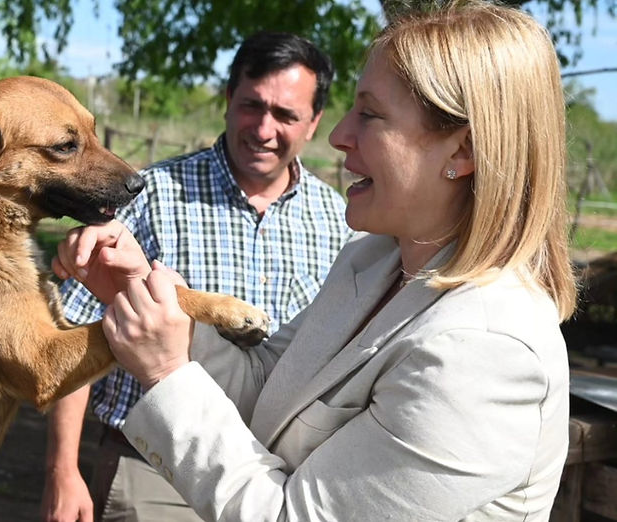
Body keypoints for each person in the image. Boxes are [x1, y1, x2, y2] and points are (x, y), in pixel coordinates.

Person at [52, 2, 577, 520]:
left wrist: (166, 371)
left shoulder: (484, 350)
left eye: (370, 114)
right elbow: (267, 389)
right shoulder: (372, 263)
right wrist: (144, 296)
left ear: (462, 152)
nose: (338, 136)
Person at [41, 32, 352, 522]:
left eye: (285, 115)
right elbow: (76, 327)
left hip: (280, 479)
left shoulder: (338, 221)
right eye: (252, 105)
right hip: (152, 470)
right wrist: (63, 470)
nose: (264, 129)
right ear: (228, 98)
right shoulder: (152, 194)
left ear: (314, 122)